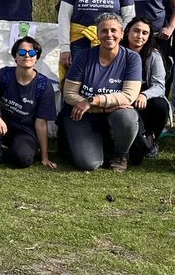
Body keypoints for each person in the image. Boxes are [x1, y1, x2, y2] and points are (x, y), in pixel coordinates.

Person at [61, 13, 142, 172]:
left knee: (128, 116)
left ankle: (120, 154)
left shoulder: (132, 58)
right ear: (97, 34)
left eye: (113, 30)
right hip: (82, 114)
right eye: (104, 31)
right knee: (89, 164)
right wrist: (103, 107)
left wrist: (92, 101)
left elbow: (128, 96)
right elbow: (69, 94)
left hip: (103, 110)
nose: (109, 35)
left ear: (121, 33)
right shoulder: (83, 56)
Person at [0, 36, 57, 169]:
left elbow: (41, 123)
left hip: (25, 132)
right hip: (2, 125)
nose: (27, 56)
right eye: (22, 52)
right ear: (15, 57)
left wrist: (44, 157)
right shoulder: (5, 74)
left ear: (37, 58)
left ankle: (19, 150)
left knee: (22, 159)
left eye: (32, 53)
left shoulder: (44, 85)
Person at [121, 17, 171, 165]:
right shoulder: (117, 51)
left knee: (161, 106)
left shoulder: (154, 55)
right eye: (136, 31)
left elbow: (160, 86)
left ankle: (152, 139)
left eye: (144, 33)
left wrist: (144, 94)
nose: (140, 36)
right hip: (122, 95)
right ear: (127, 31)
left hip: (145, 98)